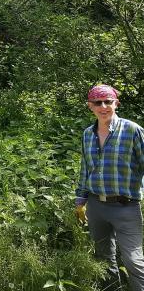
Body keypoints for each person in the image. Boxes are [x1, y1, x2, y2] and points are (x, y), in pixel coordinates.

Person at [75, 84, 144, 291]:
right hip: (96, 205)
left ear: (116, 104)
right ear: (90, 106)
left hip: (126, 206)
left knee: (133, 259)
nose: (103, 106)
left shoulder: (132, 130)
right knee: (104, 258)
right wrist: (81, 200)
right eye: (98, 102)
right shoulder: (88, 134)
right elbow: (85, 168)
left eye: (108, 102)